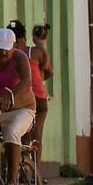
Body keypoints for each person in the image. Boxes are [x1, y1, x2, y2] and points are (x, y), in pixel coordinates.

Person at [0, 26, 36, 175]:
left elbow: (27, 81)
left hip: (23, 111)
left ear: (14, 46)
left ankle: (11, 181)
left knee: (12, 131)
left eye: (6, 49)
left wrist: (10, 97)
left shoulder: (20, 57)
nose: (3, 53)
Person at [27, 22, 54, 150]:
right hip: (40, 94)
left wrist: (45, 65)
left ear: (33, 37)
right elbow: (50, 72)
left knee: (30, 133)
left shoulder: (38, 49)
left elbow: (47, 57)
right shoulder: (40, 48)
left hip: (34, 94)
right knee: (38, 136)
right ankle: (36, 162)